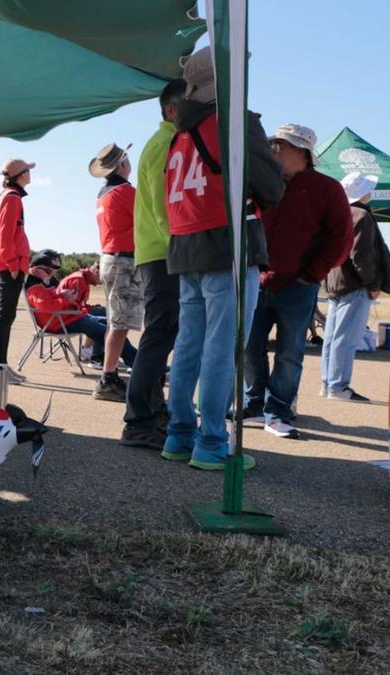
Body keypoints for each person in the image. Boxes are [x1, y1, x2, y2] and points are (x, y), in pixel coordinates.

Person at [161, 46, 285, 470]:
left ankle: (179, 435)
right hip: (227, 243)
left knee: (189, 344)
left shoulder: (179, 132)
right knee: (222, 347)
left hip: (185, 245)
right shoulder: (236, 120)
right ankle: (212, 442)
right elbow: (271, 186)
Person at [243, 123, 353, 438]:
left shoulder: (327, 188)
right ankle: (254, 404)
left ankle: (278, 410)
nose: (274, 150)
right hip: (259, 279)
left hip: (298, 285)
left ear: (302, 152)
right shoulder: (262, 185)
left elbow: (340, 239)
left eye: (282, 145)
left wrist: (310, 275)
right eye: (273, 144)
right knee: (251, 346)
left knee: (290, 352)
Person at [121, 79, 186, 450]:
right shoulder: (166, 144)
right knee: (159, 335)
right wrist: (181, 250)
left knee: (162, 334)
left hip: (159, 252)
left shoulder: (164, 143)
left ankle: (151, 409)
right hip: (164, 253)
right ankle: (139, 419)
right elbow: (167, 209)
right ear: (171, 110)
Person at [88, 142, 142, 402]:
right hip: (124, 261)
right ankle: (108, 379)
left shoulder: (103, 194)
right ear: (123, 165)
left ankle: (109, 375)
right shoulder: (125, 192)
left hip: (109, 258)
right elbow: (149, 219)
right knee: (120, 324)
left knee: (115, 322)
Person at [321, 172, 381, 402]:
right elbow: (362, 256)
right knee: (346, 339)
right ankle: (338, 386)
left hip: (335, 283)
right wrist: (373, 283)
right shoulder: (361, 216)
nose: (370, 192)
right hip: (354, 285)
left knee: (332, 337)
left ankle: (328, 383)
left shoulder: (337, 213)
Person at [25, 258, 137, 369]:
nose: (51, 274)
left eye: (52, 271)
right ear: (35, 270)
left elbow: (53, 301)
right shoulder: (36, 287)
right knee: (112, 330)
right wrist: (66, 300)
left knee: (113, 327)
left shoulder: (42, 285)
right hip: (62, 321)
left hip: (67, 318)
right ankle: (136, 364)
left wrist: (61, 295)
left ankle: (130, 361)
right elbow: (47, 306)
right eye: (48, 271)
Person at [0, 158, 35, 384]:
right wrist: (14, 265)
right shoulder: (12, 198)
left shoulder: (9, 197)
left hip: (9, 266)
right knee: (4, 316)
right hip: (10, 267)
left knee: (6, 316)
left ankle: (2, 366)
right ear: (20, 175)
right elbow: (5, 236)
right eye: (28, 170)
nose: (30, 174)